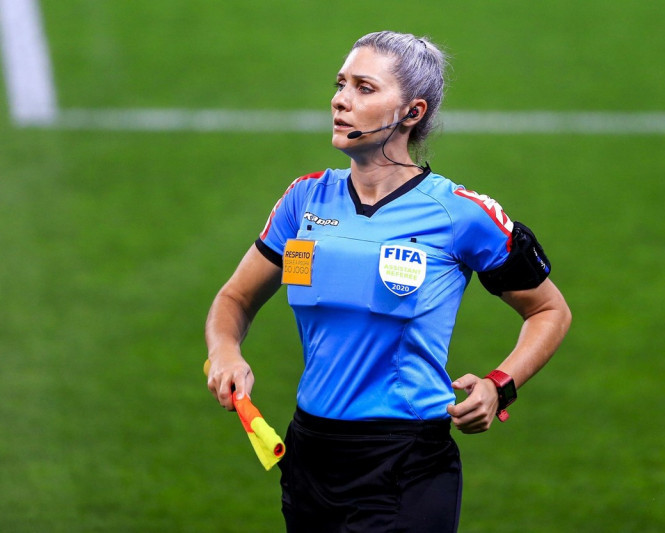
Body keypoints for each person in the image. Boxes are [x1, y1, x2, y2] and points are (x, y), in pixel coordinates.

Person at [205, 30, 571, 532]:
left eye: (364, 88)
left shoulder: (460, 214)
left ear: (412, 112)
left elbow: (549, 310)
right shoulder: (304, 201)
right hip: (309, 454)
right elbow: (236, 298)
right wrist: (226, 351)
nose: (340, 100)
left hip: (405, 461)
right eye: (340, 84)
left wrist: (499, 385)